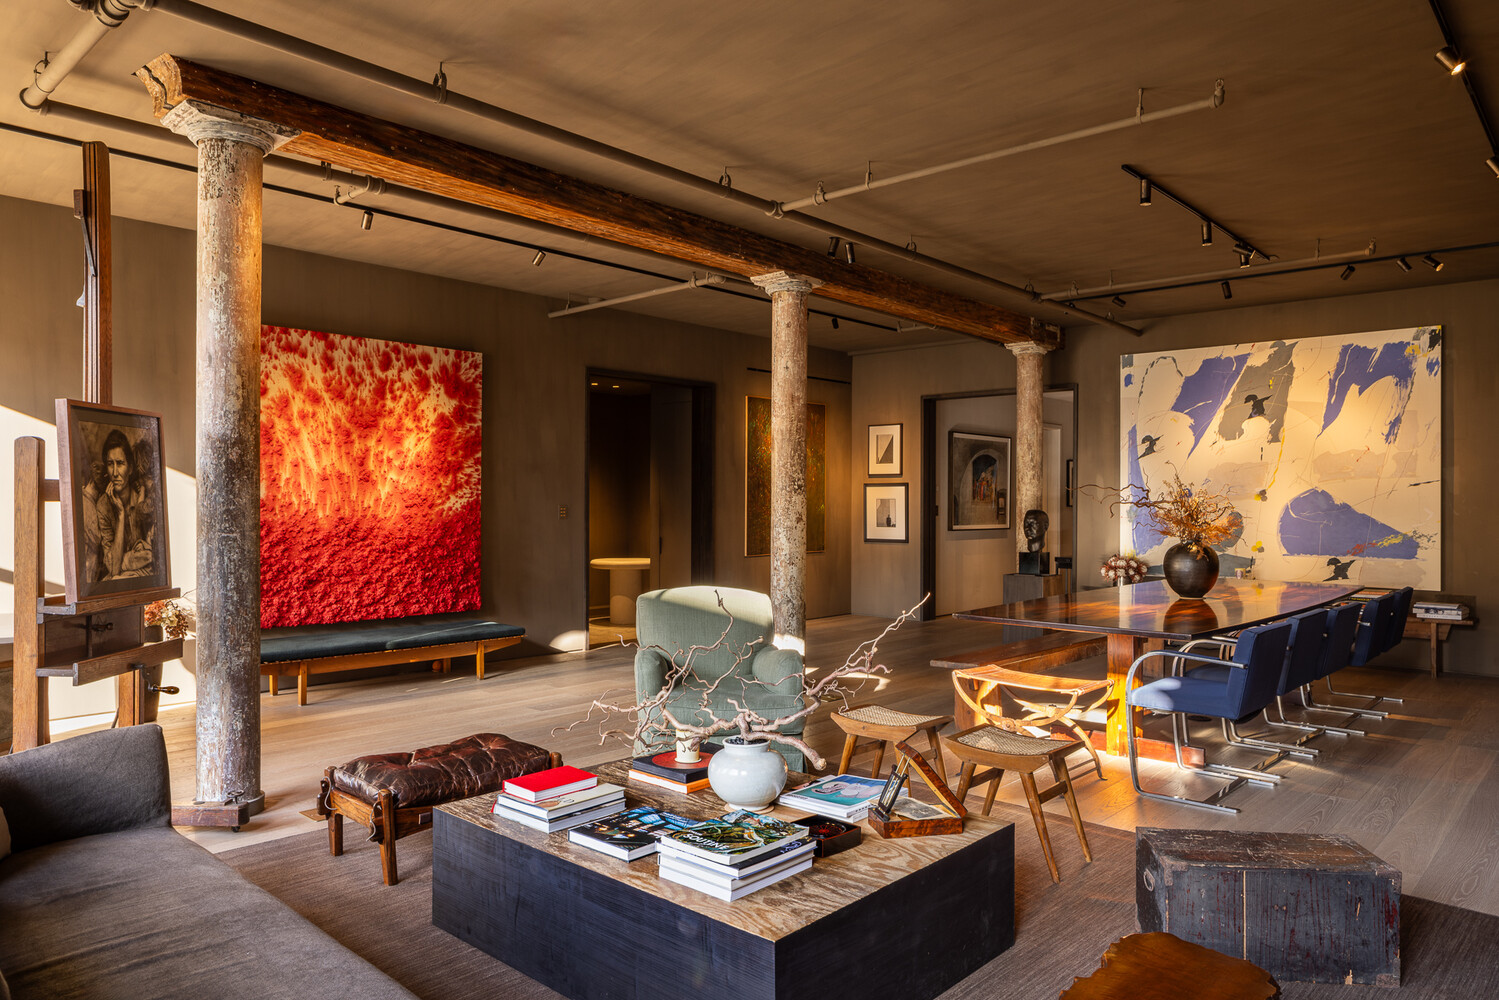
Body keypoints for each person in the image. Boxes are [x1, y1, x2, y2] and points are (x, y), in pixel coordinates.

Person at [95, 429, 153, 581]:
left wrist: (124, 560)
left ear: (130, 468)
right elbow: (114, 569)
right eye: (110, 464)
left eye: (120, 464)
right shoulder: (103, 505)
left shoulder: (142, 498)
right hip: (120, 576)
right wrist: (120, 515)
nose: (115, 473)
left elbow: (150, 556)